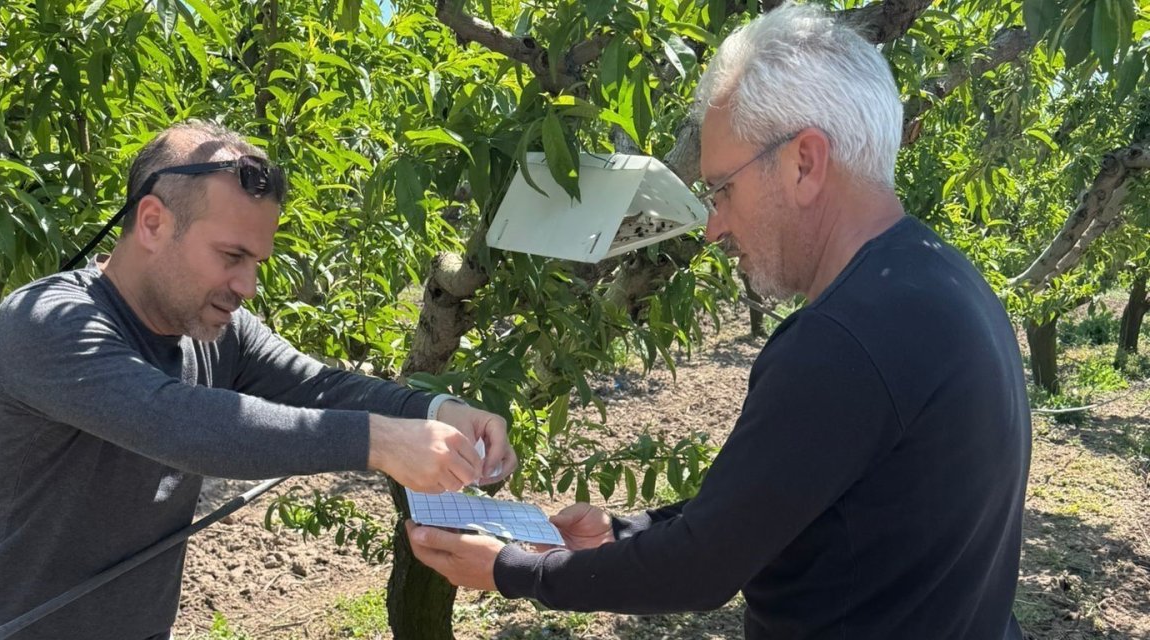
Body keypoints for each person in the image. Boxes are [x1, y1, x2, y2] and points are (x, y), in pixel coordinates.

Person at [406, 4, 1031, 638]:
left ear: (804, 163)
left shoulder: (842, 343)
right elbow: (773, 502)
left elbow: (703, 568)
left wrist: (516, 569)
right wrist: (626, 533)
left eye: (723, 188)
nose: (713, 226)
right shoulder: (944, 282)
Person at [0, 120, 517, 640]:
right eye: (231, 255)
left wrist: (437, 411)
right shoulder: (47, 322)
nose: (246, 286)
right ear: (152, 223)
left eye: (256, 263)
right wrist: (381, 440)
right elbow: (179, 424)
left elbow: (319, 386)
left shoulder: (219, 330)